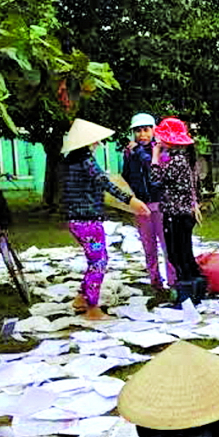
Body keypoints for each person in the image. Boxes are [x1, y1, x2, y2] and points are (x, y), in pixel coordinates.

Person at [61, 118, 150, 321]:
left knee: (95, 260)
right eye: (96, 141)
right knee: (99, 262)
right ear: (88, 142)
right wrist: (131, 200)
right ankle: (92, 307)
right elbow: (104, 183)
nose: (98, 144)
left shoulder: (70, 161)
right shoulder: (86, 160)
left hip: (75, 219)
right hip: (87, 220)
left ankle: (81, 299)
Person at [150, 117, 204, 302]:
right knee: (184, 253)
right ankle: (196, 289)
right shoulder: (184, 159)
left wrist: (155, 156)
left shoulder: (177, 161)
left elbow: (155, 179)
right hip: (183, 214)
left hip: (176, 214)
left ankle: (189, 293)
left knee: (177, 255)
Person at [122, 112, 173, 290]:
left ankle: (173, 283)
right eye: (138, 131)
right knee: (149, 247)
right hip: (142, 205)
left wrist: (137, 151)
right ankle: (155, 282)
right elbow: (126, 175)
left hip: (161, 204)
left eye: (145, 130)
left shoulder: (161, 149)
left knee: (167, 246)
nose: (142, 135)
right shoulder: (129, 153)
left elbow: (153, 168)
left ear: (153, 130)